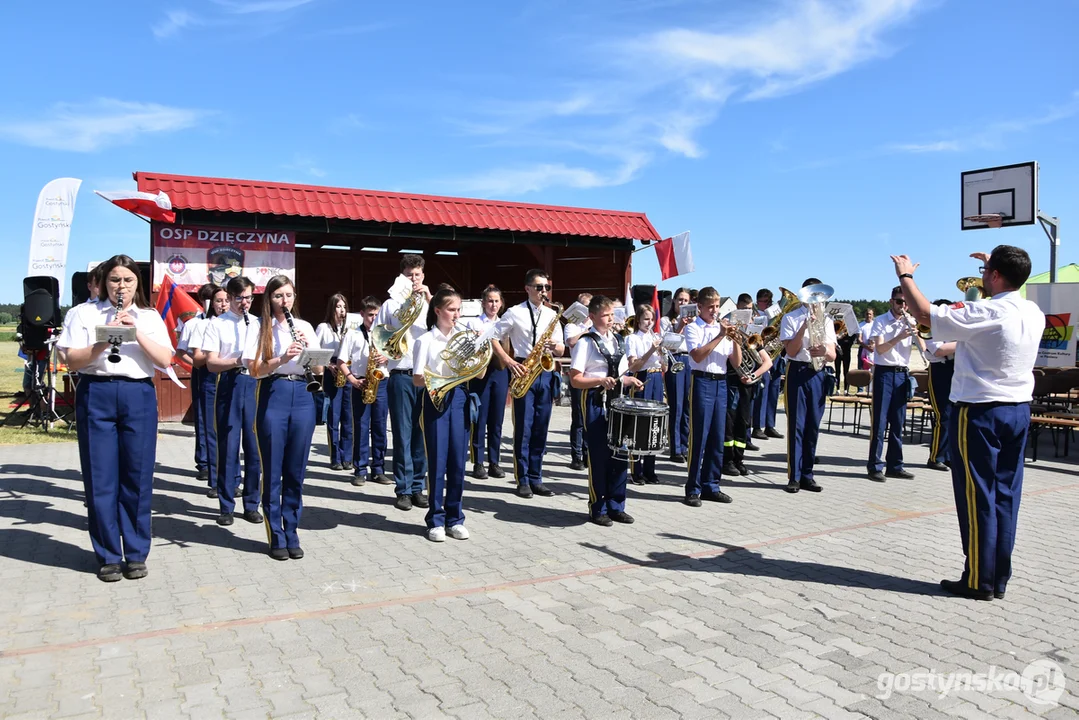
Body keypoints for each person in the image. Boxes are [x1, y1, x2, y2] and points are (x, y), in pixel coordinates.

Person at [893, 246, 1043, 601]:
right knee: (1005, 496)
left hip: (979, 412)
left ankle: (978, 579)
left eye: (987, 269)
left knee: (977, 496)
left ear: (995, 275)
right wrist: (992, 268)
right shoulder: (1032, 311)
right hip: (1018, 409)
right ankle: (998, 576)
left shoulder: (986, 310)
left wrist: (905, 274)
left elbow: (923, 311)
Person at [57, 254, 173, 582]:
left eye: (127, 280)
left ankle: (136, 553)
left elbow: (165, 358)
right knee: (100, 479)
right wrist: (101, 342)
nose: (120, 286)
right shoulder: (83, 313)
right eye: (114, 280)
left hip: (137, 395)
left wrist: (136, 333)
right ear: (104, 281)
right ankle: (108, 554)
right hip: (97, 393)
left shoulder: (148, 316)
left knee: (136, 478)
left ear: (137, 283)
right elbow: (73, 362)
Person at [244, 275, 319, 560]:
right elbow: (255, 370)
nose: (284, 301)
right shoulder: (260, 328)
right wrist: (283, 358)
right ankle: (275, 533)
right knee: (272, 469)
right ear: (270, 299)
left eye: (288, 295)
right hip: (273, 391)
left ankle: (293, 530)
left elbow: (321, 370)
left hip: (303, 393)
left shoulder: (304, 327)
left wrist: (308, 356)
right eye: (278, 296)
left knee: (296, 470)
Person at [489, 269, 565, 499]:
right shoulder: (514, 312)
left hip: (545, 369)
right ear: (528, 288)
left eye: (547, 288)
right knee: (523, 428)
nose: (544, 292)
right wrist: (508, 361)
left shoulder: (553, 315)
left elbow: (561, 349)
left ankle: (537, 478)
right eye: (539, 287)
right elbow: (493, 337)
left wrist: (555, 347)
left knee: (541, 428)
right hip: (523, 367)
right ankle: (522, 479)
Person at [569, 295, 643, 525]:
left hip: (616, 400)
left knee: (620, 453)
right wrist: (599, 381)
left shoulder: (619, 340)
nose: (611, 319)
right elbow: (575, 379)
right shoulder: (585, 342)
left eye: (612, 314)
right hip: (594, 400)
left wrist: (629, 381)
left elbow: (620, 374)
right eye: (605, 315)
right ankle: (597, 506)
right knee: (599, 455)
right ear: (592, 317)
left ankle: (617, 505)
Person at [413, 286, 479, 542]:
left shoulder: (464, 336)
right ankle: (435, 520)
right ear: (438, 310)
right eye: (452, 310)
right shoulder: (425, 340)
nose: (457, 315)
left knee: (458, 463)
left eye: (459, 309)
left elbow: (480, 374)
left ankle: (455, 518)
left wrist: (475, 353)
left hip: (460, 398)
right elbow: (417, 380)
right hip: (435, 399)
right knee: (438, 462)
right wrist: (441, 380)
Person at [204, 277, 263, 523]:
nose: (245, 303)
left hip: (254, 384)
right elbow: (210, 363)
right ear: (229, 298)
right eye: (239, 298)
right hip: (229, 382)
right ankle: (226, 505)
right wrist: (237, 360)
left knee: (254, 447)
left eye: (248, 297)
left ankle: (251, 504)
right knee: (228, 447)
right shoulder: (218, 324)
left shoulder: (259, 323)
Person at [377, 254, 432, 511]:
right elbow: (379, 336)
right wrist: (382, 356)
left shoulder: (430, 304)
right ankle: (403, 489)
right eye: (409, 275)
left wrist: (430, 299)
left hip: (426, 375)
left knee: (421, 434)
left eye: (418, 275)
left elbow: (442, 329)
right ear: (402, 276)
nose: (414, 280)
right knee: (402, 434)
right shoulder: (390, 304)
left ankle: (419, 486)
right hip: (400, 373)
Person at [683, 286, 741, 507]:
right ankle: (693, 488)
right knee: (699, 437)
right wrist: (720, 335)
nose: (715, 311)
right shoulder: (693, 328)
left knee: (718, 437)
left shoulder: (722, 328)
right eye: (710, 307)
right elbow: (697, 356)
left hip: (721, 383)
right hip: (702, 381)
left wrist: (735, 338)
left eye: (717, 306)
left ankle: (712, 486)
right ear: (699, 307)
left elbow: (735, 362)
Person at [780, 277, 837, 494]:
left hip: (818, 373)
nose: (815, 301)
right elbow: (791, 351)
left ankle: (807, 474)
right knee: (797, 426)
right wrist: (804, 327)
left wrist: (823, 351)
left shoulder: (828, 321)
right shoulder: (790, 318)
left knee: (813, 426)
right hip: (797, 371)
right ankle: (793, 476)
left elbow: (832, 354)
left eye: (819, 297)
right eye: (812, 296)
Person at [177, 284, 228, 496]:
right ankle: (206, 463)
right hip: (205, 373)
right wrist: (198, 364)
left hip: (228, 372)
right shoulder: (196, 324)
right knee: (205, 420)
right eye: (213, 300)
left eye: (225, 300)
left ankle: (226, 471)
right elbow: (182, 352)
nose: (221, 305)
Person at [338, 296, 392, 487]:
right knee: (360, 427)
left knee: (380, 429)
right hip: (360, 383)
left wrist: (386, 359)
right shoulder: (352, 335)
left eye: (376, 315)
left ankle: (378, 469)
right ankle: (360, 469)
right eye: (370, 315)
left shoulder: (385, 334)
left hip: (381, 383)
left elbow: (397, 357)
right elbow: (341, 361)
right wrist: (352, 379)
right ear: (362, 314)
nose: (373, 319)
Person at [866, 286, 916, 482]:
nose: (902, 306)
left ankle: (895, 465)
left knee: (898, 422)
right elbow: (880, 349)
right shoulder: (880, 322)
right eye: (899, 301)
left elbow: (922, 344)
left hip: (902, 373)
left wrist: (915, 330)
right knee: (879, 422)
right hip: (884, 373)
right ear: (891, 301)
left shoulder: (909, 321)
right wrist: (899, 337)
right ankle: (875, 466)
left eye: (905, 302)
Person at [724, 298, 772, 476]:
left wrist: (753, 375)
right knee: (730, 423)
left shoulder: (753, 337)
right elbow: (735, 361)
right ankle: (727, 460)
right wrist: (735, 337)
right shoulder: (730, 336)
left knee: (743, 423)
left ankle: (739, 459)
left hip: (747, 384)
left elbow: (767, 362)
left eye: (750, 311)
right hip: (732, 384)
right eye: (744, 310)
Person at [466, 285, 510, 480]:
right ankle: (478, 462)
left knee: (496, 419)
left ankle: (495, 461)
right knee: (480, 418)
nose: (493, 305)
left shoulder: (505, 324)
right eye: (490, 301)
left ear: (501, 304)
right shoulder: (475, 323)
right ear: (483, 303)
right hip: (481, 372)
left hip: (500, 372)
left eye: (496, 301)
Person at [624, 303, 665, 484]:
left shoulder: (656, 336)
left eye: (651, 319)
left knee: (655, 424)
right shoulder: (632, 339)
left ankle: (650, 469)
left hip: (657, 379)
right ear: (638, 320)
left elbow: (665, 367)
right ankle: (636, 470)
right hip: (641, 377)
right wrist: (651, 350)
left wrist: (663, 354)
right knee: (638, 425)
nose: (649, 323)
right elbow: (634, 366)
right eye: (646, 319)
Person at [316, 293, 353, 471]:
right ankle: (335, 457)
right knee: (334, 416)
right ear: (332, 308)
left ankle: (347, 457)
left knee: (348, 417)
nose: (342, 310)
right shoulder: (323, 327)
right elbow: (314, 352)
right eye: (338, 306)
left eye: (344, 307)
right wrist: (328, 364)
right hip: (332, 372)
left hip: (347, 371)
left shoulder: (350, 328)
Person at [923, 300, 957, 472]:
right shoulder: (929, 329)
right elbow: (939, 350)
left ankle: (948, 455)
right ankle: (935, 457)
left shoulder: (952, 328)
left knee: (953, 417)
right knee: (942, 415)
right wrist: (966, 341)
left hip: (954, 369)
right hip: (939, 371)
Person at [661, 287, 694, 462]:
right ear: (673, 301)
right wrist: (680, 325)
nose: (682, 303)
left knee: (688, 406)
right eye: (680, 300)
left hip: (690, 361)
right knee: (677, 405)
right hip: (676, 360)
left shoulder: (694, 322)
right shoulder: (666, 320)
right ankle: (675, 448)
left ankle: (686, 443)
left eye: (686, 301)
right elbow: (668, 344)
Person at [564, 292, 594, 471]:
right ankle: (576, 455)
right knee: (578, 418)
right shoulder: (572, 326)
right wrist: (587, 330)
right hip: (578, 374)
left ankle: (589, 452)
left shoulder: (595, 325)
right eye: (583, 306)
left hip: (592, 376)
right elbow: (571, 341)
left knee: (591, 416)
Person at [751, 288, 784, 441]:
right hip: (762, 356)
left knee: (774, 391)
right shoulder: (756, 316)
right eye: (765, 301)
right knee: (762, 391)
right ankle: (757, 426)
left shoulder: (775, 314)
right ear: (758, 302)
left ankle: (770, 425)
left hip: (775, 356)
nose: (768, 304)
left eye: (770, 301)